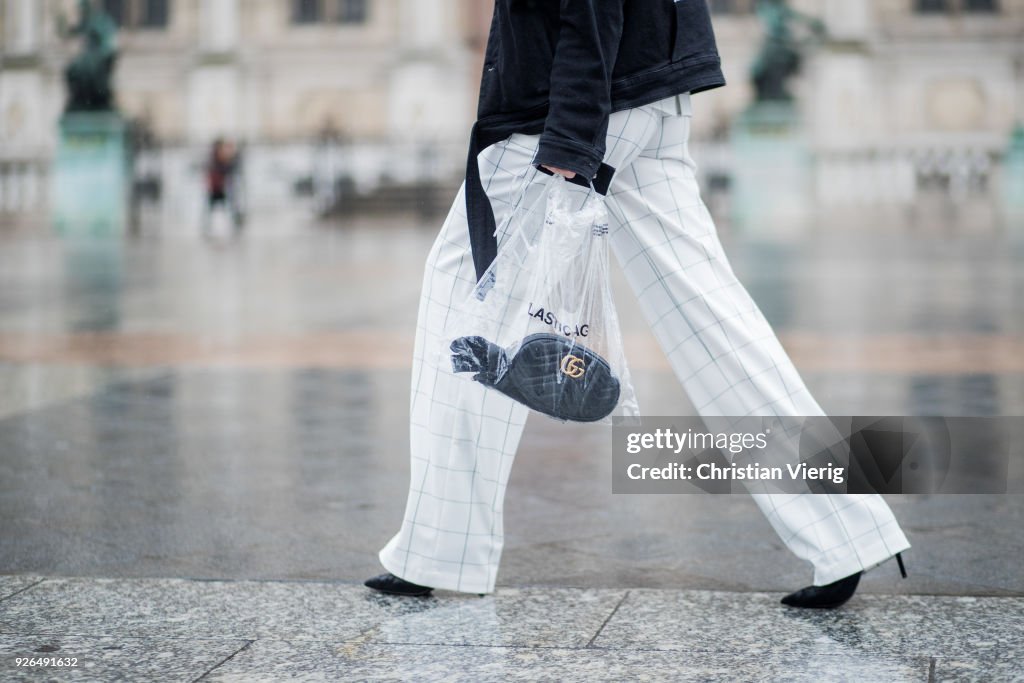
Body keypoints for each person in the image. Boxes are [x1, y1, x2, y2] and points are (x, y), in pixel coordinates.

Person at [365, 0, 910, 609]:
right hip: (654, 90)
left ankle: (441, 546)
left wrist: (571, 132)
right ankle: (848, 531)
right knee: (711, 317)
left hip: (573, 96)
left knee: (464, 298)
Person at [204, 138, 242, 233]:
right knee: (212, 209)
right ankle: (209, 226)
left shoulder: (222, 159)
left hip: (223, 187)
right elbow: (218, 171)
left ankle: (232, 224)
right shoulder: (214, 160)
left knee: (227, 207)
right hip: (216, 188)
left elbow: (232, 169)